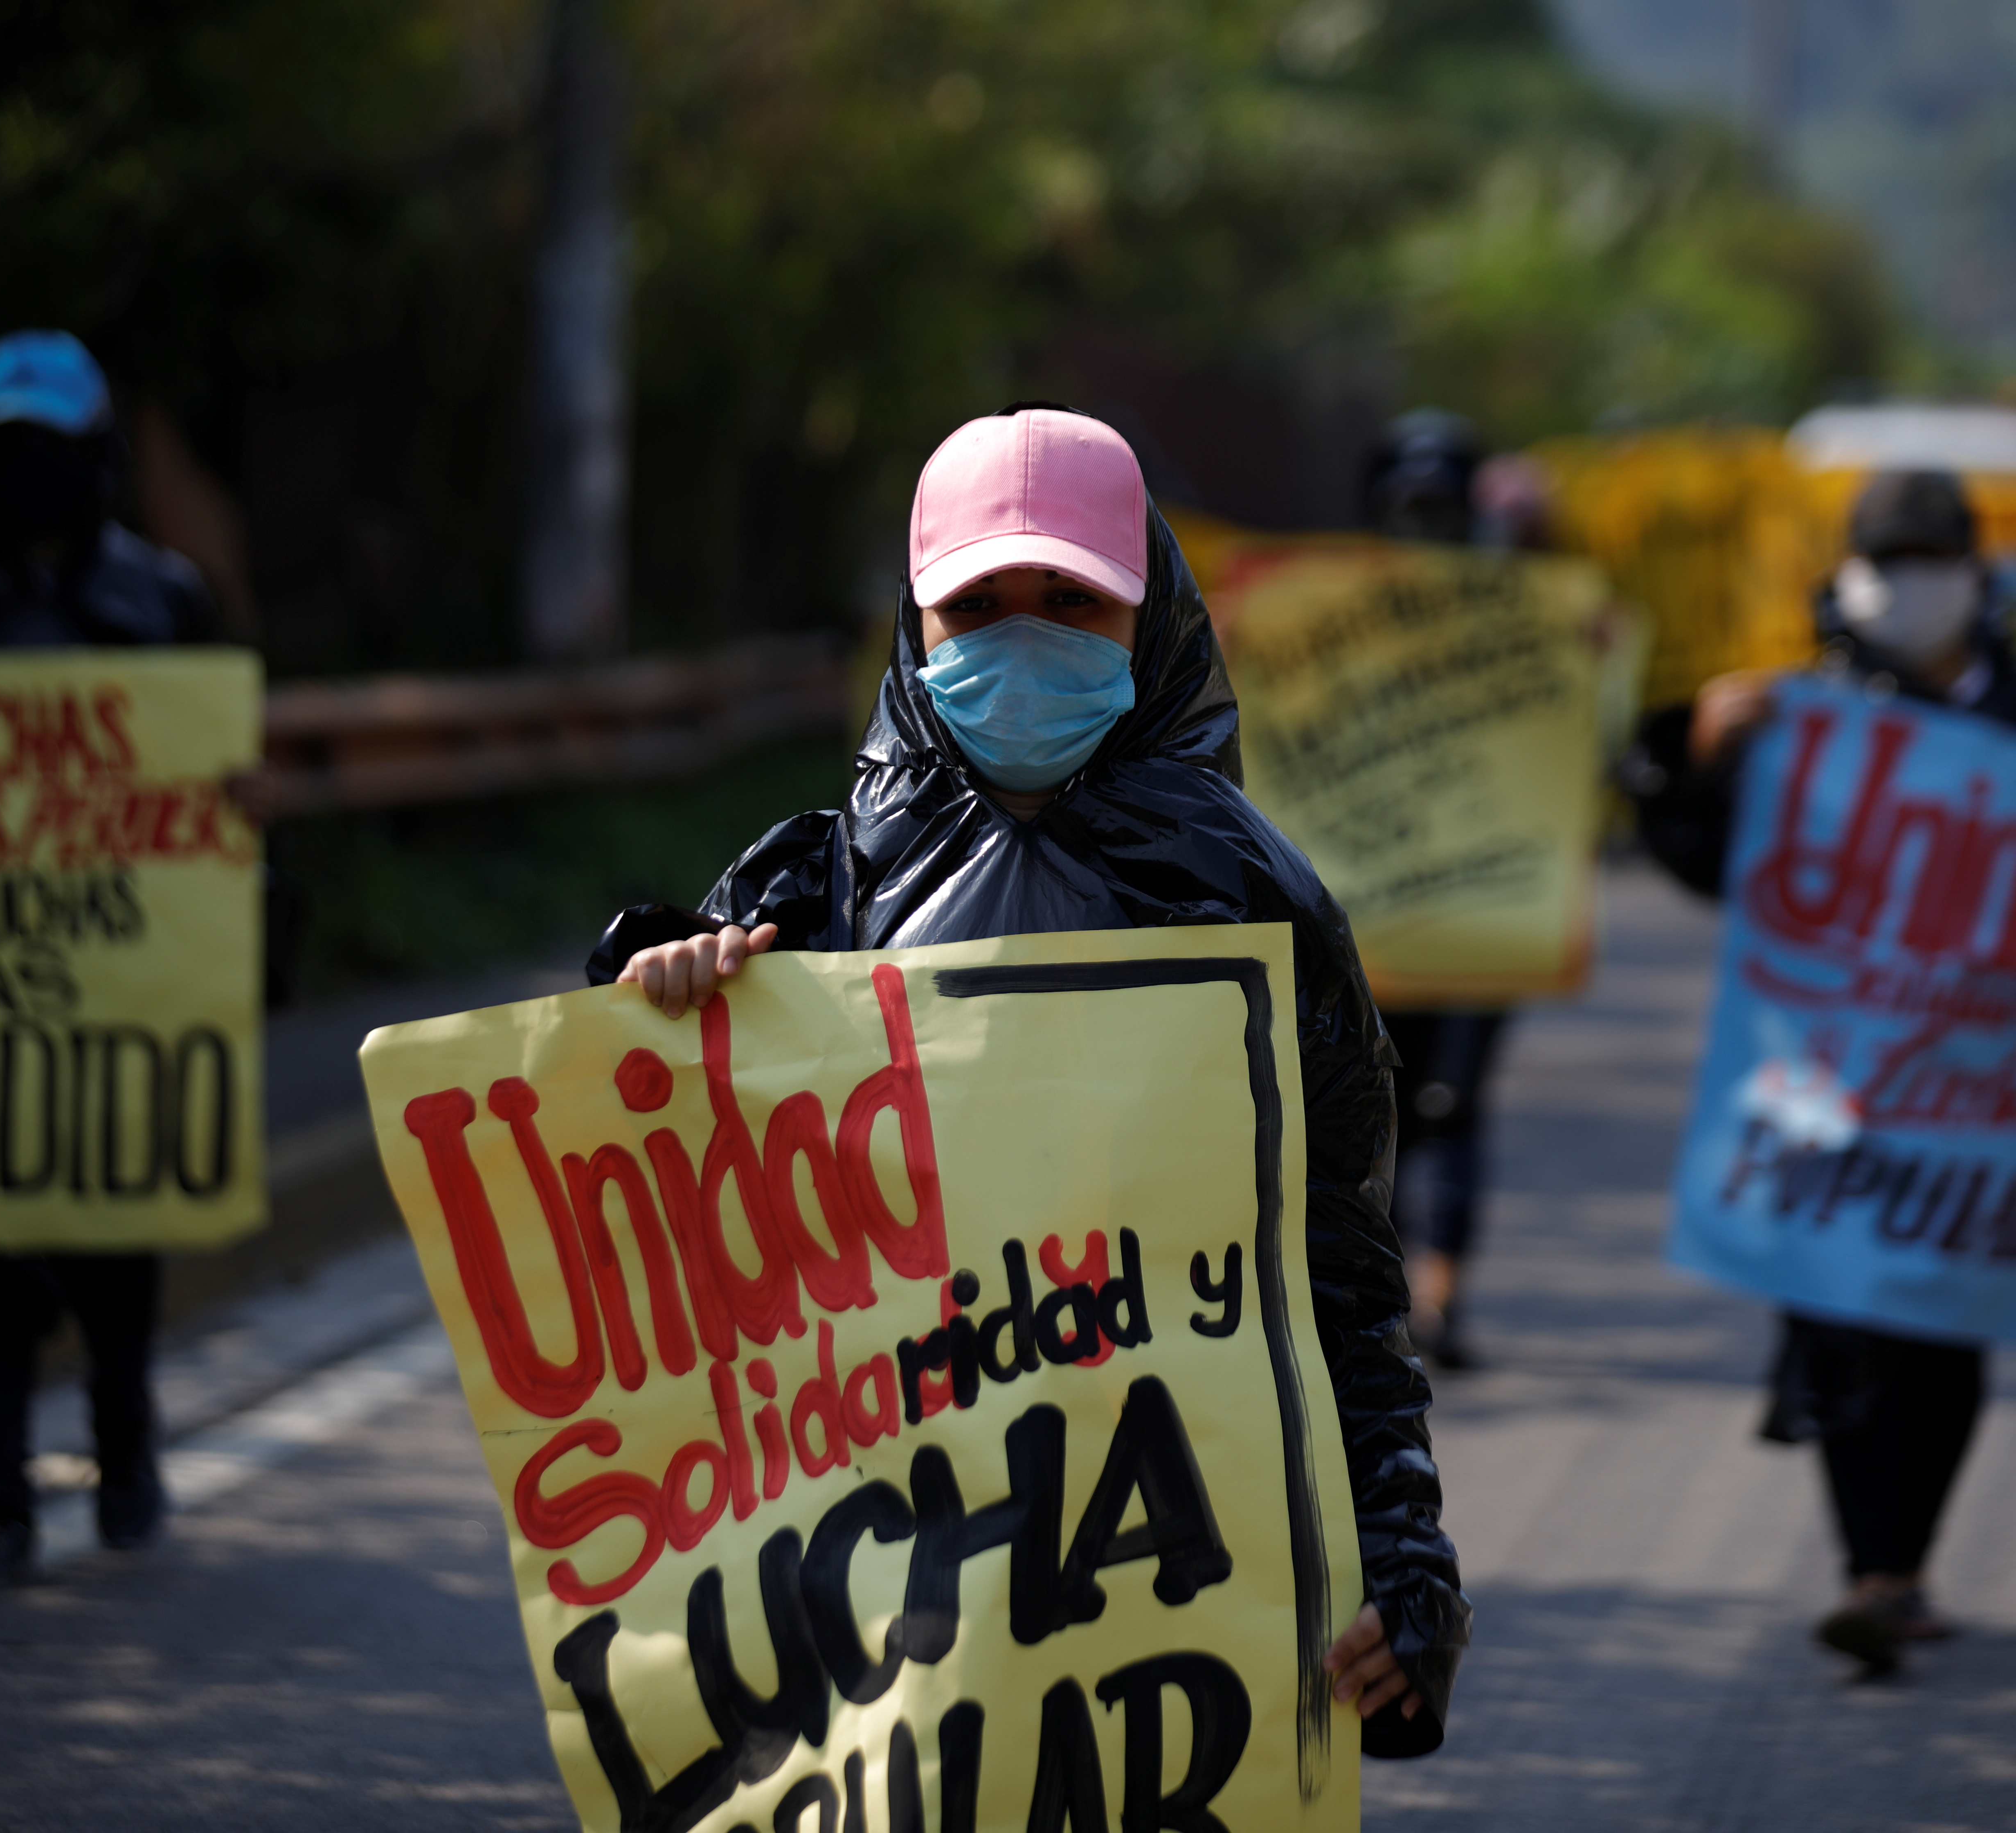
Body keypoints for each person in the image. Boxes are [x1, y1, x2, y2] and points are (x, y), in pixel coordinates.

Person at [593, 403, 1472, 1751]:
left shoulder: (1255, 906)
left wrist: (1402, 1555)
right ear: (914, 625)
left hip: (1158, 1545)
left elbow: (1338, 1266)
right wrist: (665, 1000)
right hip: (880, 1550)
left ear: (1155, 615)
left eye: (1071, 599)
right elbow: (679, 1252)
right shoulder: (809, 892)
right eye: (978, 604)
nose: (1022, 639)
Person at [1622, 470, 2016, 1677]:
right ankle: (1877, 1571)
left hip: (1987, 1082)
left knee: (1946, 1325)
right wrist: (1693, 752)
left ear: (1972, 573)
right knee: (1835, 1311)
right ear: (1854, 576)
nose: (1908, 585)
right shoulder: (1806, 715)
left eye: (1928, 560)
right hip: (1827, 1074)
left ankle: (1899, 1565)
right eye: (1888, 561)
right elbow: (1714, 870)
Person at [0, 329, 222, 1587]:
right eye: (8, 451)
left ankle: (125, 1452)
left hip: (122, 979)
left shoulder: (165, 601)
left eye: (49, 450)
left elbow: (219, 782)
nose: (30, 473)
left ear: (96, 459)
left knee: (107, 1237)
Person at [1359, 410, 1531, 1371]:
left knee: (1455, 1100)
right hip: (1374, 912)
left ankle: (1442, 1299)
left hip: (1484, 910)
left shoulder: (1525, 618)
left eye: (1438, 502)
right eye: (1407, 504)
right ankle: (1382, 1296)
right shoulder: (1334, 617)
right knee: (1371, 1100)